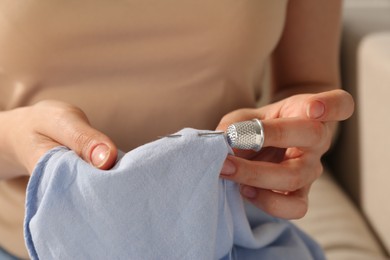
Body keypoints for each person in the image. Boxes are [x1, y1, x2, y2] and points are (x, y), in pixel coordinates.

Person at [0, 0, 354, 258]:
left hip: (228, 239)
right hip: (23, 242)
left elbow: (307, 83)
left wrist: (289, 134)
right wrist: (17, 142)